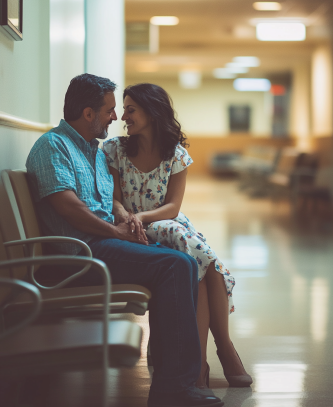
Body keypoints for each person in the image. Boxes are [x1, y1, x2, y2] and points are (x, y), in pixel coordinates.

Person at [26, 74, 223, 407]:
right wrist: (116, 232)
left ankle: (171, 373)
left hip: (101, 245)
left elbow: (108, 204)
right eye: (109, 110)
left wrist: (127, 225)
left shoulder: (92, 150)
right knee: (175, 266)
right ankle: (176, 384)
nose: (115, 117)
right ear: (88, 113)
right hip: (81, 254)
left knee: (183, 262)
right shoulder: (54, 146)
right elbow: (68, 206)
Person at [102, 83, 252, 389]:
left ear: (152, 111)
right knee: (206, 265)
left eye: (130, 109)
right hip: (134, 228)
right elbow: (114, 199)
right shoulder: (115, 149)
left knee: (203, 263)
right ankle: (214, 355)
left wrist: (141, 216)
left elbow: (172, 207)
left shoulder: (177, 155)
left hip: (164, 221)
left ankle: (218, 350)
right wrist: (126, 215)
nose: (124, 117)